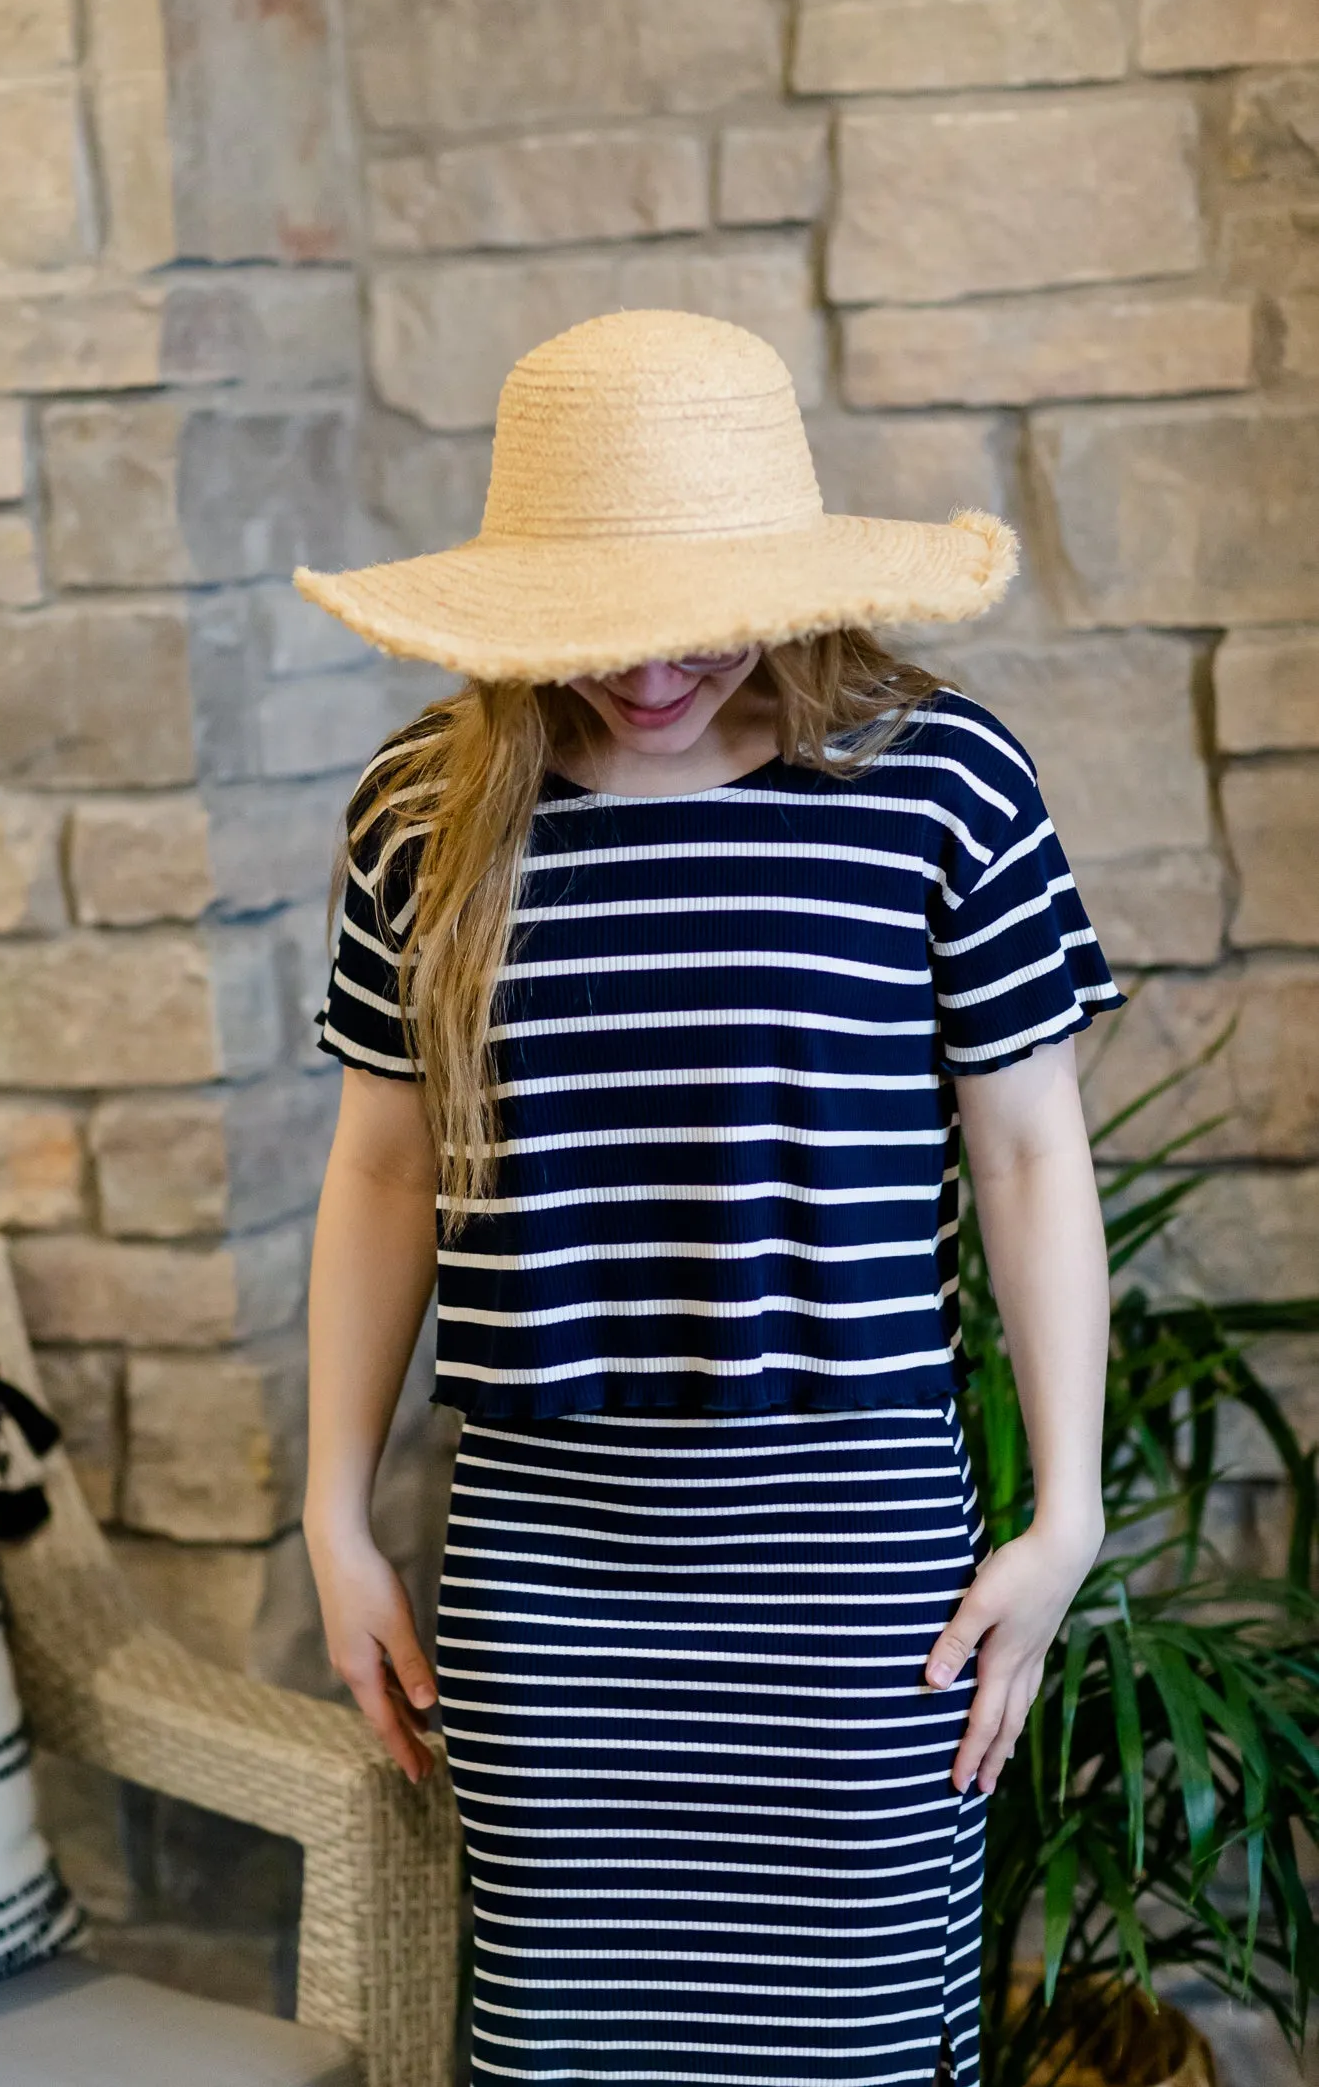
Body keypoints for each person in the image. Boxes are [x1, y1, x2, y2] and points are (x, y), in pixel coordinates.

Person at [295, 310, 1116, 2087]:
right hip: (550, 1566)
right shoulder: (419, 818)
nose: (651, 669)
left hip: (852, 1572)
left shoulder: (939, 785)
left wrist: (1065, 1522)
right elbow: (378, 1171)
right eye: (602, 627)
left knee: (861, 2049)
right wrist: (335, 1513)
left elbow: (1037, 1153)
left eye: (697, 612)